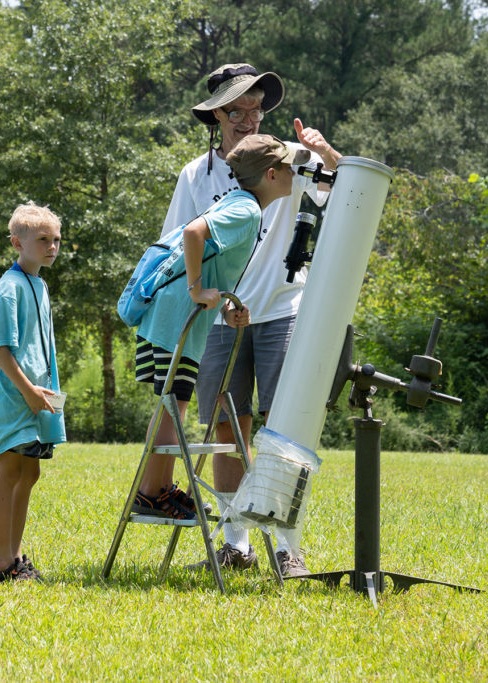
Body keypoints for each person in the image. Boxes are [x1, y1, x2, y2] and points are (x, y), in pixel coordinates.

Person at [160, 63, 342, 577]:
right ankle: (235, 543)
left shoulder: (291, 158)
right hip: (220, 320)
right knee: (225, 428)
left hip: (284, 309)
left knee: (285, 430)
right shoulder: (196, 174)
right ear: (215, 115)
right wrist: (199, 297)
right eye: (237, 110)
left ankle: (288, 549)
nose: (249, 119)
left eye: (257, 109)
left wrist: (327, 152)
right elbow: (178, 241)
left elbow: (351, 189)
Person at [131, 135, 308, 530]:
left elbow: (213, 259)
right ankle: (152, 491)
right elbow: (194, 233)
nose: (295, 173)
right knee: (173, 402)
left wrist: (225, 307)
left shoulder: (241, 204)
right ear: (272, 174)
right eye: (288, 166)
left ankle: (156, 488)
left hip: (173, 315)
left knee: (172, 399)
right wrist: (196, 289)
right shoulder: (246, 210)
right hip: (176, 317)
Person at [0, 202, 66, 582]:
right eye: (43, 240)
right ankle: (1, 564)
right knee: (11, 470)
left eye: (56, 240)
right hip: (15, 397)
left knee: (29, 472)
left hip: (40, 398)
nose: (52, 246)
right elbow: (0, 348)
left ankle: (16, 558)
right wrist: (29, 390)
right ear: (18, 243)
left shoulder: (40, 284)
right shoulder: (9, 288)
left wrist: (44, 393)